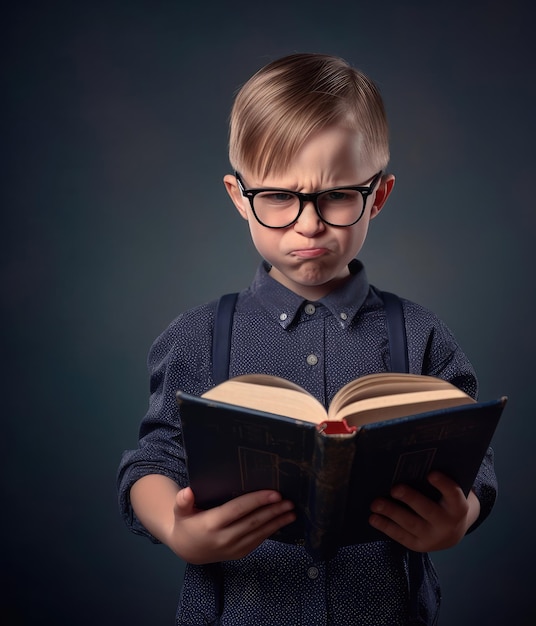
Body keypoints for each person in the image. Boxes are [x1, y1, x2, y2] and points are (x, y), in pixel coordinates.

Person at [117, 52, 497, 625]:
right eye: (278, 197)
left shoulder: (420, 336)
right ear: (238, 197)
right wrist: (176, 529)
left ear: (380, 195)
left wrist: (459, 517)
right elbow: (153, 459)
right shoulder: (198, 337)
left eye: (337, 196)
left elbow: (474, 461)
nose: (308, 224)